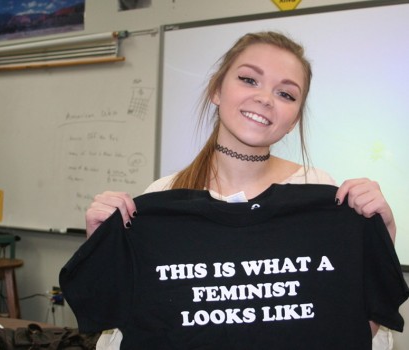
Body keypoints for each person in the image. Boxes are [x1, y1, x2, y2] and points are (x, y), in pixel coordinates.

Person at [83, 32, 398, 349]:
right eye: (249, 79)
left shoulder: (322, 192)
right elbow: (124, 327)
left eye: (286, 94)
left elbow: (349, 329)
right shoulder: (164, 196)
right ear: (216, 89)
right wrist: (102, 246)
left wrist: (381, 237)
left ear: (294, 120)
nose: (265, 98)